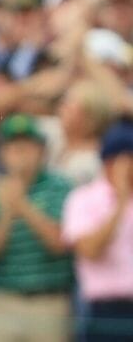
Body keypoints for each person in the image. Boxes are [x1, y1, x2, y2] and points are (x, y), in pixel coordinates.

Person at [0, 114, 75, 342]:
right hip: (5, 299)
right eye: (12, 147)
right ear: (2, 154)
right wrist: (5, 213)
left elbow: (59, 243)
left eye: (26, 147)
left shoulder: (61, 188)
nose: (20, 154)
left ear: (41, 151)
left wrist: (22, 205)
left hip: (49, 301)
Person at [62, 121, 133, 342]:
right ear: (111, 162)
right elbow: (90, 249)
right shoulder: (82, 198)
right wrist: (121, 200)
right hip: (102, 310)